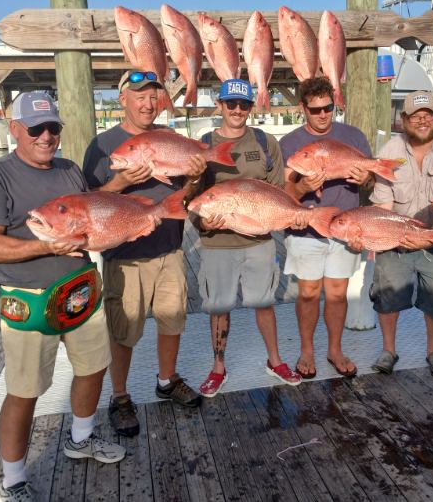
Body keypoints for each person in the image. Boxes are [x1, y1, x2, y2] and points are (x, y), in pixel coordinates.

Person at [0, 92, 125, 502]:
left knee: (93, 368)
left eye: (53, 127)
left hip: (82, 289)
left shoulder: (70, 170)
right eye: (36, 128)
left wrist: (125, 188)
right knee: (24, 389)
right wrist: (47, 247)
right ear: (13, 128)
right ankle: (13, 480)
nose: (46, 136)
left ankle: (82, 437)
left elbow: (95, 210)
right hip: (30, 299)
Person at [82, 70, 203, 439]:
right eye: (140, 96)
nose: (148, 103)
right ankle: (119, 397)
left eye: (154, 96)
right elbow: (88, 203)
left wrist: (196, 176)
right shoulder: (103, 145)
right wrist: (121, 182)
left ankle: (166, 380)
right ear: (123, 100)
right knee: (124, 329)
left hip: (169, 247)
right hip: (125, 253)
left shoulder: (171, 139)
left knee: (172, 319)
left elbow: (186, 192)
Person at [195, 79, 302, 397]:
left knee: (264, 302)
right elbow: (193, 195)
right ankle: (217, 368)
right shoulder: (204, 143)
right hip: (217, 242)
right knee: (219, 306)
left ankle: (275, 360)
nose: (237, 110)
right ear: (220, 105)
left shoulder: (266, 142)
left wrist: (287, 216)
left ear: (251, 108)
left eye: (244, 105)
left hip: (258, 240)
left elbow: (276, 191)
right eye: (231, 104)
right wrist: (202, 219)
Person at [280, 76, 375, 379]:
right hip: (305, 229)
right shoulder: (290, 143)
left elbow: (371, 182)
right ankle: (307, 351)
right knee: (308, 292)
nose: (323, 115)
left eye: (328, 108)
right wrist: (303, 186)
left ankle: (334, 349)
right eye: (315, 109)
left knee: (337, 291)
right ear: (302, 108)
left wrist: (366, 180)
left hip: (344, 228)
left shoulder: (355, 136)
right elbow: (285, 194)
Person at [367, 91, 433, 377]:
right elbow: (383, 203)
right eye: (414, 116)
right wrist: (373, 234)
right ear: (403, 119)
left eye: (428, 114)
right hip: (396, 238)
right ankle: (389, 349)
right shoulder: (388, 152)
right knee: (386, 294)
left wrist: (432, 234)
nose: (422, 120)